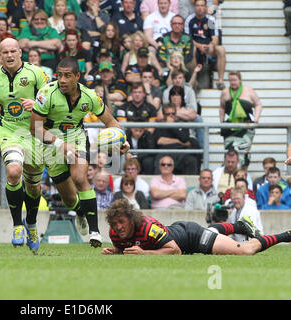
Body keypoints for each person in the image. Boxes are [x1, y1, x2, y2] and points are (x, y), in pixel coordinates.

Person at [30, 57, 129, 247]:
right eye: (60, 75)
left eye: (68, 76)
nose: (63, 80)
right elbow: (35, 128)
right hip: (50, 141)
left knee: (79, 178)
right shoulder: (46, 94)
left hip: (76, 137)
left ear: (77, 76)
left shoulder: (89, 96)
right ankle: (80, 211)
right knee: (68, 198)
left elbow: (111, 122)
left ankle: (95, 232)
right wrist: (59, 143)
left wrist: (123, 142)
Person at [0, 38, 50, 252]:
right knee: (13, 172)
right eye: (5, 52)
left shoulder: (36, 73)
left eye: (13, 51)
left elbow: (52, 98)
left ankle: (31, 224)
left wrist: (37, 104)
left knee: (33, 185)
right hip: (9, 132)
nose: (10, 55)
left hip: (34, 132)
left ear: (20, 52)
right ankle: (16, 225)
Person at [102, 198, 290, 255]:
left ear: (132, 218)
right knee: (212, 232)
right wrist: (115, 251)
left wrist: (144, 253)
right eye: (115, 223)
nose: (118, 227)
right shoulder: (115, 233)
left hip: (193, 237)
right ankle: (238, 225)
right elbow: (126, 248)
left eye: (121, 222)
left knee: (246, 251)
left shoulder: (147, 227)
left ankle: (285, 235)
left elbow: (175, 251)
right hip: (178, 230)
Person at [219, 71, 262, 166]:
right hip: (230, 127)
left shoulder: (248, 90)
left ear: (240, 80)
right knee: (230, 151)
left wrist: (256, 118)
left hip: (246, 126)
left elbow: (258, 104)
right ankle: (229, 171)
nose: (232, 82)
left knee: (243, 151)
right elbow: (222, 107)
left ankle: (242, 173)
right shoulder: (225, 92)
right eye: (230, 80)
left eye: (234, 80)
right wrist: (221, 122)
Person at [184, 0, 226, 89]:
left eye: (202, 5)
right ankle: (193, 80)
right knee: (192, 49)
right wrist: (199, 46)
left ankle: (220, 81)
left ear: (206, 7)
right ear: (194, 7)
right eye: (198, 5)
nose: (200, 8)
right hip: (195, 46)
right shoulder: (189, 20)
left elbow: (215, 37)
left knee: (221, 49)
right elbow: (188, 39)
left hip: (208, 47)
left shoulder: (210, 19)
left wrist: (212, 45)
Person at [153, 103, 200, 174]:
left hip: (180, 151)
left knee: (191, 160)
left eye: (173, 113)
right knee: (159, 161)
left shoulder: (182, 124)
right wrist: (177, 141)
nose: (171, 116)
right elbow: (160, 141)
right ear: (163, 115)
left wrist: (172, 126)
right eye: (168, 114)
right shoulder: (160, 125)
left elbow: (184, 139)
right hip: (164, 152)